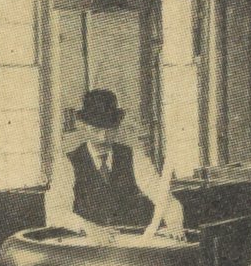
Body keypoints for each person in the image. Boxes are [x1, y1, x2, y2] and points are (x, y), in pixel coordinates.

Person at [43, 88, 185, 242]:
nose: (103, 138)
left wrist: (174, 224)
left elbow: (166, 200)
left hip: (126, 244)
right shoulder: (67, 164)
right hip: (86, 245)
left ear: (117, 127)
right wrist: (88, 227)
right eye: (96, 130)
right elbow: (55, 213)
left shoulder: (134, 157)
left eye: (110, 130)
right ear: (85, 126)